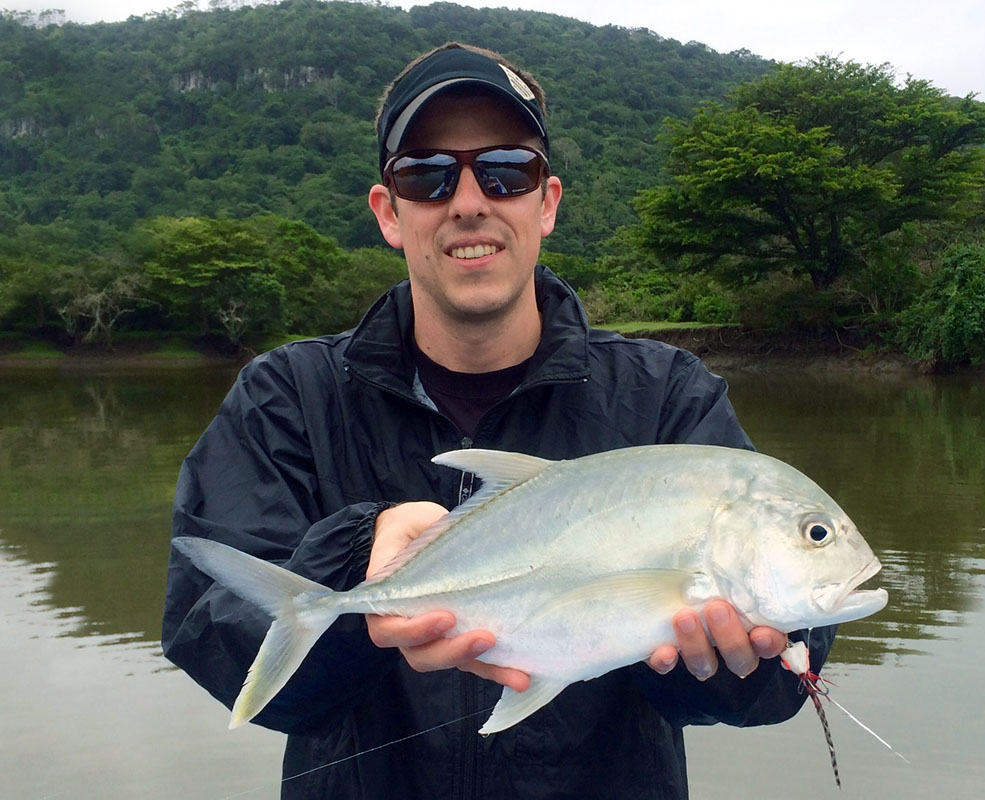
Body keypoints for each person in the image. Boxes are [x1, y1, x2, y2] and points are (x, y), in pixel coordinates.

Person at [162, 42, 835, 799]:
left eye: (506, 169)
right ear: (390, 213)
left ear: (545, 201)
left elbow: (774, 679)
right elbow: (214, 641)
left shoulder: (668, 401)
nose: (469, 200)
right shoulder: (286, 398)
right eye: (427, 174)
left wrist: (727, 665)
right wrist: (353, 569)